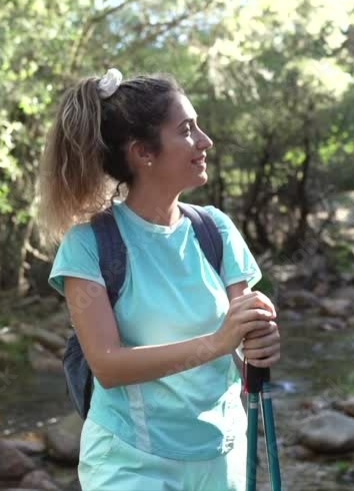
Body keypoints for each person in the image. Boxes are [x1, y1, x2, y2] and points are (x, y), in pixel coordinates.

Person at [38, 69, 281, 491]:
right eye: (186, 130)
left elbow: (241, 351)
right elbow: (107, 366)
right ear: (142, 153)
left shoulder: (217, 230)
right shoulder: (89, 245)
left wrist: (258, 341)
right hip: (131, 462)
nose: (205, 141)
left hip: (222, 454)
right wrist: (218, 342)